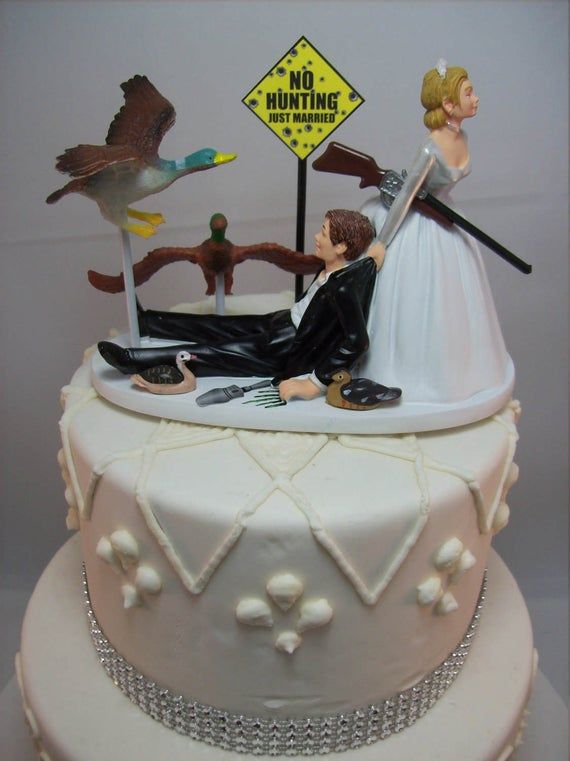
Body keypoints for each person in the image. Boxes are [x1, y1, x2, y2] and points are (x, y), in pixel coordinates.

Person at [99, 209, 385, 402]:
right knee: (220, 326)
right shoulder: (347, 267)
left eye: (323, 233)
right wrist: (373, 256)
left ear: (342, 248)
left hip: (287, 347)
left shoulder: (345, 286)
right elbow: (368, 264)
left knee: (216, 352)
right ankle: (149, 321)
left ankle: (133, 360)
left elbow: (357, 341)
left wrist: (315, 383)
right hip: (284, 321)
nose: (316, 237)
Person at [356, 61, 511, 404]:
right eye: (468, 92)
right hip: (417, 223)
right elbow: (408, 195)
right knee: (414, 297)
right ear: (448, 105)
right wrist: (381, 243)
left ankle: (458, 373)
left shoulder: (463, 136)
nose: (476, 98)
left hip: (446, 216)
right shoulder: (430, 148)